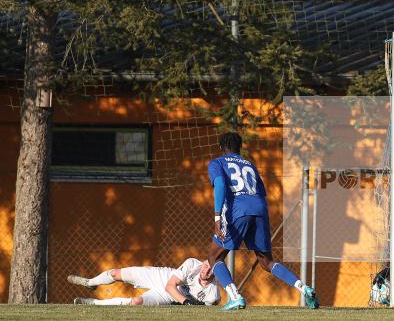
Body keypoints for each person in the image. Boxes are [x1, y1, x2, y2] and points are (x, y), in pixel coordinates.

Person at [207, 132, 318, 310]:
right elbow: (260, 192)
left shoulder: (217, 163)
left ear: (221, 148)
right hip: (260, 209)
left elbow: (220, 185)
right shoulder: (250, 165)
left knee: (214, 256)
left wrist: (218, 217)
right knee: (266, 262)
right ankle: (304, 288)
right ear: (240, 147)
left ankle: (235, 297)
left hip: (238, 210)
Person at [68, 258, 219, 306]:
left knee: (135, 302)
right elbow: (170, 285)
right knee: (116, 273)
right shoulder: (192, 264)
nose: (205, 270)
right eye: (205, 265)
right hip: (161, 277)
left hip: (168, 296)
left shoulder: (213, 294)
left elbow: (207, 310)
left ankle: (92, 303)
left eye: (210, 269)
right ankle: (90, 283)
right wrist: (186, 303)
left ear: (216, 272)